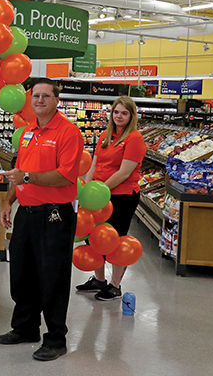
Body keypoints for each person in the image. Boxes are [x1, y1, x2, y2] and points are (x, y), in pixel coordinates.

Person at [0, 78, 83, 362]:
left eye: (46, 96)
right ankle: (25, 327)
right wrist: (9, 201)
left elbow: (66, 175)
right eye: (36, 96)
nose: (40, 100)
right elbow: (19, 172)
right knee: (22, 273)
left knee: (53, 277)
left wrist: (28, 178)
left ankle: (56, 338)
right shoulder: (26, 133)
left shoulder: (69, 133)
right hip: (27, 212)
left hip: (54, 215)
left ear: (57, 100)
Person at [77, 96, 146, 300]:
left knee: (115, 239)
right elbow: (94, 164)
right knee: (94, 236)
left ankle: (115, 285)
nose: (119, 116)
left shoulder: (134, 138)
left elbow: (124, 172)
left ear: (131, 116)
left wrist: (100, 191)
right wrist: (87, 190)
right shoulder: (105, 136)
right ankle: (99, 280)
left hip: (122, 196)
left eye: (124, 113)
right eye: (116, 112)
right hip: (97, 196)